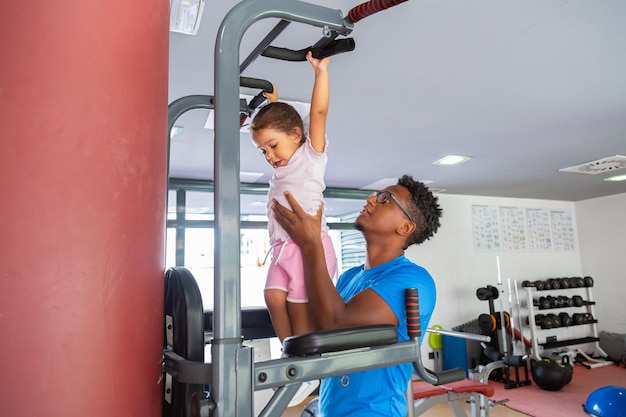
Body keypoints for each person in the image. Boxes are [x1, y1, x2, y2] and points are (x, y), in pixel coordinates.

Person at [271, 174, 443, 417]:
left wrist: (311, 244)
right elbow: (311, 335)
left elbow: (335, 323)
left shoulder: (413, 280)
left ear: (405, 227)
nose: (371, 198)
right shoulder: (349, 277)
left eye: (385, 199)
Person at [250, 51, 338, 344]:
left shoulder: (311, 156)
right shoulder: (285, 159)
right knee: (273, 297)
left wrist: (320, 72)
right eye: (264, 151)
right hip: (281, 247)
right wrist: (273, 104)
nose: (269, 156)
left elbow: (318, 113)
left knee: (298, 307)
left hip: (308, 248)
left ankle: (304, 362)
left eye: (272, 146)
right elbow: (281, 126)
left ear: (297, 134)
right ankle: (292, 354)